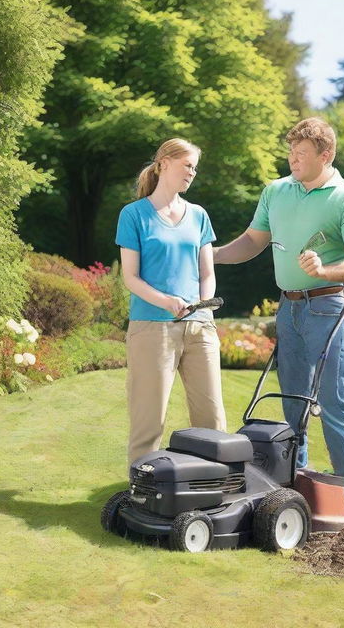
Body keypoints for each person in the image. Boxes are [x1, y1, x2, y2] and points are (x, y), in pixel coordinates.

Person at [214, 118, 344, 508]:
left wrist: (324, 271)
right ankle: (294, 482)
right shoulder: (276, 192)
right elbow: (252, 241)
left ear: (326, 155)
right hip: (289, 307)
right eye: (291, 152)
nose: (293, 160)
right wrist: (210, 256)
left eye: (301, 154)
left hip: (328, 306)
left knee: (333, 400)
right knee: (291, 400)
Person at [116, 138, 226, 465]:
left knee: (212, 419)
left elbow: (207, 271)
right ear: (164, 163)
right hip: (152, 328)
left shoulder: (199, 216)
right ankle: (142, 492)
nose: (192, 173)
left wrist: (203, 306)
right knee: (148, 421)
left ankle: (217, 486)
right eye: (187, 165)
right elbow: (131, 278)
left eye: (195, 168)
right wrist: (166, 301)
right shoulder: (133, 215)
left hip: (199, 328)